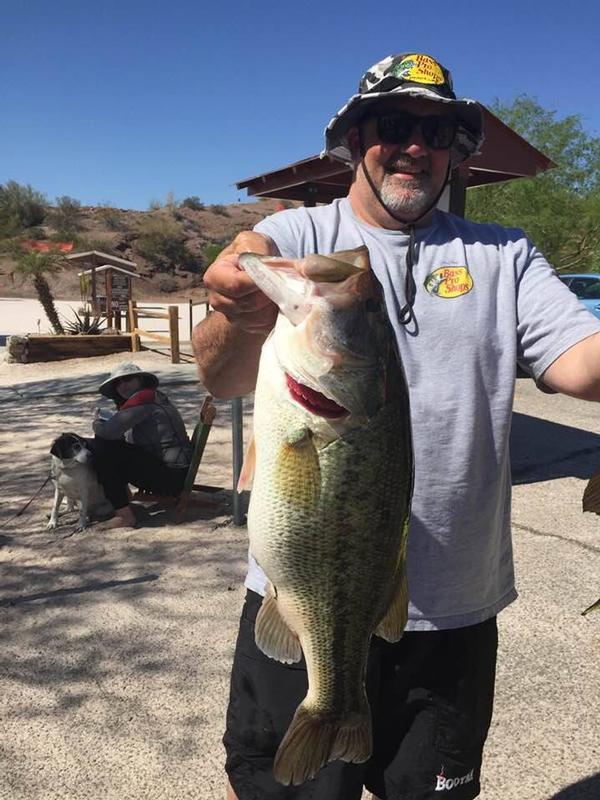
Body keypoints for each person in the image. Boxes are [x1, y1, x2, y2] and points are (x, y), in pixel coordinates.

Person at [192, 52, 600, 800]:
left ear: (456, 149)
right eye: (394, 124)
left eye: (437, 129)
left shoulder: (505, 255)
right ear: (355, 139)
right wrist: (231, 299)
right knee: (276, 791)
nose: (416, 144)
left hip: (454, 607)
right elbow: (219, 374)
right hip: (304, 590)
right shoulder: (299, 236)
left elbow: (584, 365)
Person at [92, 362, 192, 527]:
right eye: (118, 383)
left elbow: (108, 433)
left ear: (140, 380)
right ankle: (121, 502)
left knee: (102, 447)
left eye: (128, 379)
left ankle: (124, 514)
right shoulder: (152, 396)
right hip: (176, 471)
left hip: (171, 478)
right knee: (108, 448)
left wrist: (96, 423)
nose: (122, 385)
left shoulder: (143, 398)